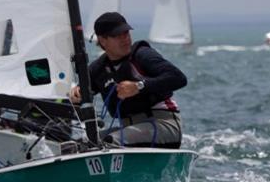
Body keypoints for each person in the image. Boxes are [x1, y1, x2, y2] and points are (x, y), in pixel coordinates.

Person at [69, 12, 186, 148]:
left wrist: (139, 86)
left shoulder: (142, 55)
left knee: (107, 142)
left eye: (126, 33)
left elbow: (179, 78)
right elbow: (83, 93)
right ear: (102, 40)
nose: (125, 39)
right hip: (129, 130)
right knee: (79, 145)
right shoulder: (97, 69)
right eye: (117, 35)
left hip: (163, 125)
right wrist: (76, 93)